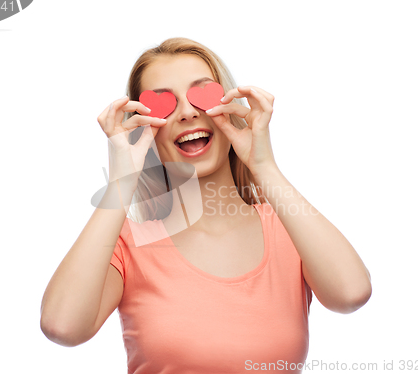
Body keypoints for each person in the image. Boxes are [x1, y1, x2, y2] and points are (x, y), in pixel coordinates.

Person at [40, 37, 372, 373]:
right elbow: (62, 327)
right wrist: (121, 182)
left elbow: (351, 293)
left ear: (228, 106)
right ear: (144, 127)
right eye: (163, 105)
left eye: (203, 94)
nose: (187, 113)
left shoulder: (289, 228)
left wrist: (264, 166)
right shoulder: (127, 244)